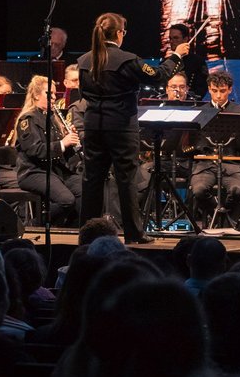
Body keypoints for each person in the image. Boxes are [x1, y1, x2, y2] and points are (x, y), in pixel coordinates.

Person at [79, 12, 183, 244]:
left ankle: (88, 235)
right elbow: (157, 76)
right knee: (126, 179)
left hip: (93, 126)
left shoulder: (84, 61)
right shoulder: (126, 59)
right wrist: (176, 56)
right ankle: (134, 234)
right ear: (118, 33)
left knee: (92, 180)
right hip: (121, 127)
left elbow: (83, 93)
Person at [15, 75, 82, 222]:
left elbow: (62, 153)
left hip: (54, 170)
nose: (53, 97)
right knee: (66, 200)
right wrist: (63, 143)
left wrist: (70, 142)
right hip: (33, 171)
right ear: (36, 95)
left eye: (54, 94)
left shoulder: (52, 118)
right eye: (49, 93)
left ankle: (72, 230)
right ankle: (35, 224)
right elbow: (35, 150)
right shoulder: (28, 119)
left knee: (85, 190)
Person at [192, 70, 240, 226]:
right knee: (198, 190)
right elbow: (191, 143)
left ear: (230, 90)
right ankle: (219, 216)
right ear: (209, 89)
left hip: (231, 164)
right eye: (214, 91)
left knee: (237, 190)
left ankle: (225, 216)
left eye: (223, 91)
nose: (218, 96)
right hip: (205, 165)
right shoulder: (199, 113)